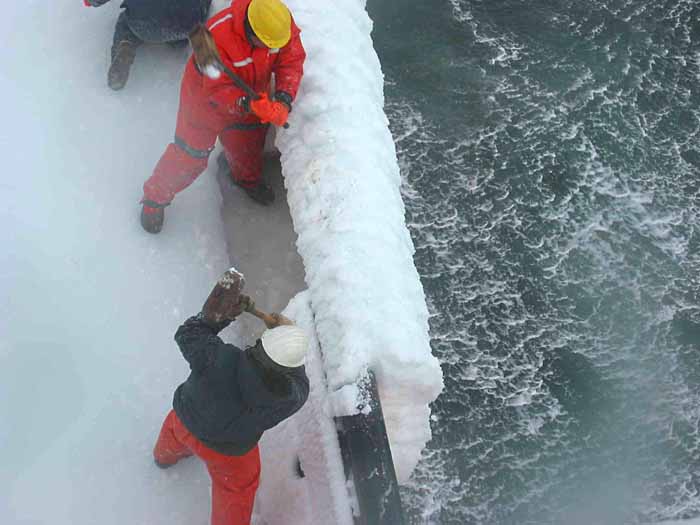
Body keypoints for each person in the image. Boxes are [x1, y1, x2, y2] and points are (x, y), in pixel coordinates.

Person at [139, 0, 306, 234]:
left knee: (248, 143)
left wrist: (283, 98)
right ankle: (154, 198)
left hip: (252, 96)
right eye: (266, 46)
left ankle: (246, 179)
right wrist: (247, 103)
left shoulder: (278, 25)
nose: (270, 51)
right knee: (189, 157)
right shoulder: (210, 38)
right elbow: (215, 92)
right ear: (251, 29)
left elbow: (292, 59)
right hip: (203, 103)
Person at [152, 282, 309, 525]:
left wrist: (216, 318)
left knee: (174, 429)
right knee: (237, 491)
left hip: (187, 419)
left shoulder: (217, 356)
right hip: (229, 454)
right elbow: (300, 382)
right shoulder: (286, 399)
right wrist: (287, 339)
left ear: (261, 344)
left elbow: (188, 333)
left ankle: (164, 457)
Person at [83, 0, 213, 90]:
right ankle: (181, 41)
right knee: (186, 18)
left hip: (143, 24)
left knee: (126, 24)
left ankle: (125, 44)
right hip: (189, 21)